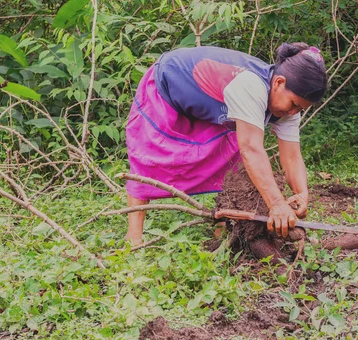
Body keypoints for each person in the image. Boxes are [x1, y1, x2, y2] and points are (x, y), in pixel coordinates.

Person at [124, 43, 327, 245]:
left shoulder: (289, 108)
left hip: (208, 104)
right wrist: (276, 203)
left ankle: (222, 231)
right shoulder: (251, 86)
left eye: (300, 108)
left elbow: (291, 156)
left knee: (231, 154)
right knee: (149, 156)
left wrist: (302, 194)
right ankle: (134, 238)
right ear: (279, 83)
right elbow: (252, 150)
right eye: (293, 104)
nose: (293, 112)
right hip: (169, 83)